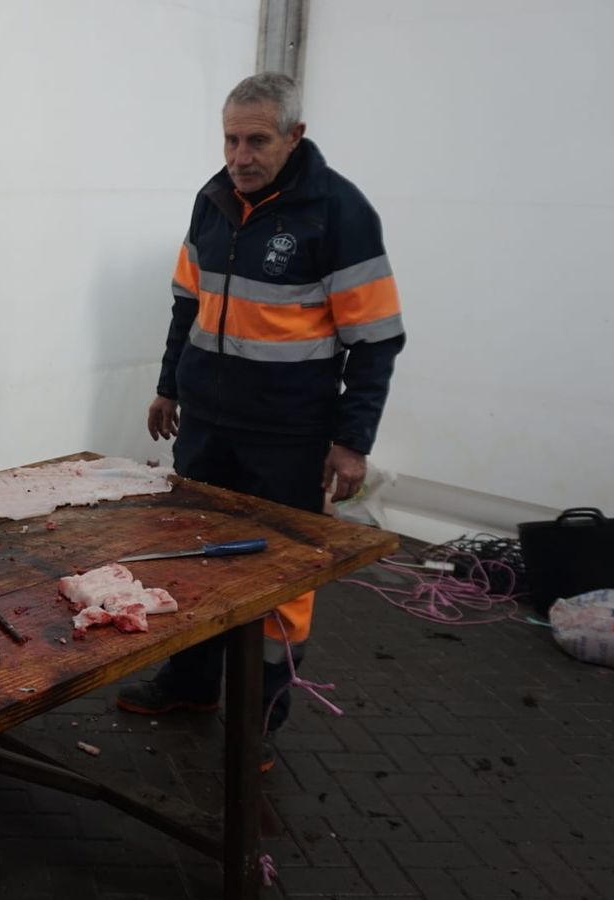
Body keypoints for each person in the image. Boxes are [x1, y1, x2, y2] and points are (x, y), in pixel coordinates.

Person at [118, 73, 406, 771]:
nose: (240, 155)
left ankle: (263, 717)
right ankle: (189, 686)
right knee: (195, 561)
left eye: (257, 140)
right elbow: (187, 306)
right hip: (207, 426)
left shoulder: (339, 211)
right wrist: (167, 387)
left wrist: (350, 442)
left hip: (288, 434)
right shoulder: (212, 201)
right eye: (230, 138)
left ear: (294, 137)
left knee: (280, 580)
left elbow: (376, 337)